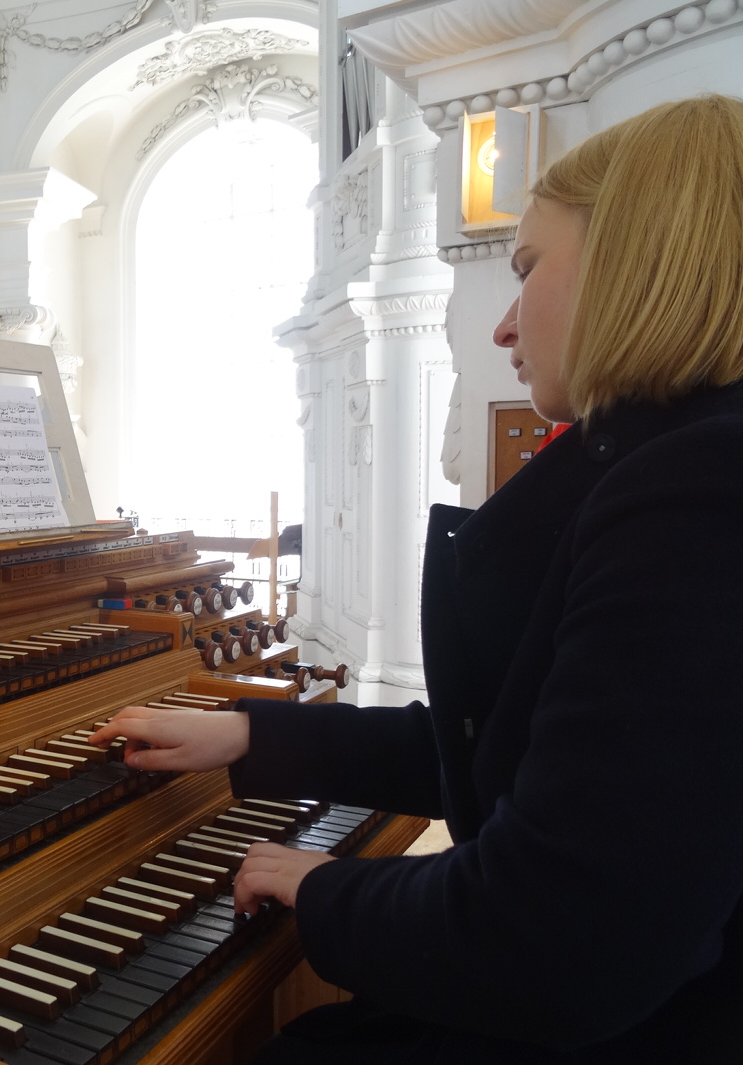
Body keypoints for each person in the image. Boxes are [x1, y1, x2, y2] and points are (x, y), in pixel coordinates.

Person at [91, 94, 743, 1063]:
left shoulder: (699, 489)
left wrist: (324, 887)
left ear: (633, 261)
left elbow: (558, 934)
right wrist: (252, 731)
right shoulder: (673, 465)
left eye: (527, 267)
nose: (505, 326)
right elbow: (520, 750)